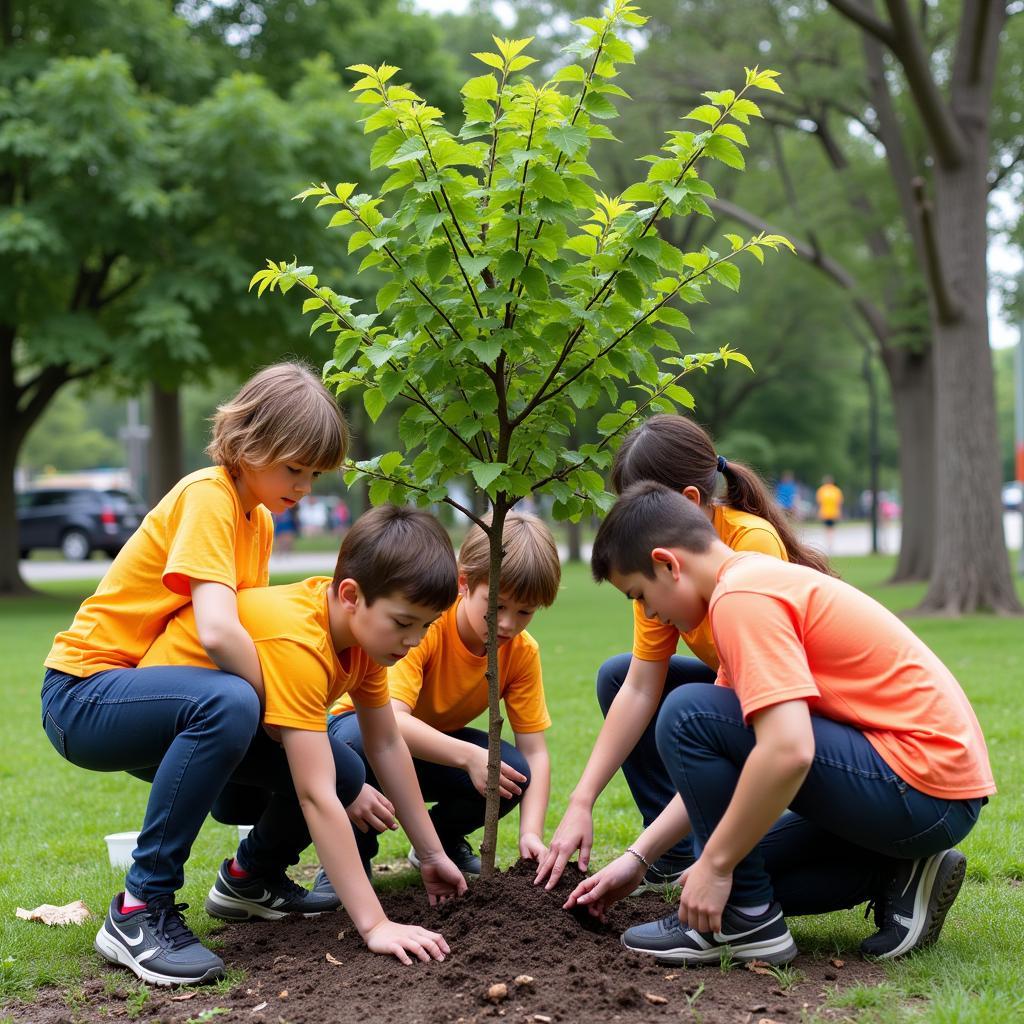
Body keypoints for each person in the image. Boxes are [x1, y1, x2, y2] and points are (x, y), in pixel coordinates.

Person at [565, 481, 993, 966]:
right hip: (927, 795)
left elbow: (787, 749)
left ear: (668, 563)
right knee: (709, 883)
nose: (650, 612)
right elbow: (716, 759)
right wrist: (637, 860)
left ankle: (745, 922)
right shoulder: (744, 585)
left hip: (922, 785)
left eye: (640, 595)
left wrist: (721, 862)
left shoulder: (741, 598)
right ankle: (894, 872)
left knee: (685, 713)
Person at [40, 362, 348, 986]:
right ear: (252, 444)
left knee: (343, 767)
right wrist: (283, 707)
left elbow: (248, 629)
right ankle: (137, 910)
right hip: (85, 693)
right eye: (295, 469)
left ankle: (251, 880)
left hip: (164, 693)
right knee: (235, 704)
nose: (305, 487)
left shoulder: (257, 518)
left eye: (315, 475)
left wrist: (298, 722)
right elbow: (218, 631)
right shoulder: (210, 494)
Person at [137, 505, 467, 977]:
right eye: (403, 622)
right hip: (162, 736)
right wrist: (375, 925)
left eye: (426, 626)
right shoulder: (300, 641)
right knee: (336, 777)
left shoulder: (363, 642)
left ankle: (248, 881)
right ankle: (142, 901)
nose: (414, 639)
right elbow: (315, 794)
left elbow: (388, 745)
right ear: (352, 595)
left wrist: (432, 854)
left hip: (226, 737)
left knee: (346, 769)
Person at [535, 415, 831, 891]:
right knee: (617, 677)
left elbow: (753, 687)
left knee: (692, 713)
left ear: (689, 503)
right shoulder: (655, 567)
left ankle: (698, 846)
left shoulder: (748, 549)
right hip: (731, 691)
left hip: (788, 706)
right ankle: (671, 851)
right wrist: (581, 799)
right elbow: (638, 687)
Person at [320, 511, 560, 882]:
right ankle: (349, 859)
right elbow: (392, 721)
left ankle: (441, 842)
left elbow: (535, 751)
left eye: (525, 612)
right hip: (362, 737)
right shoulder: (424, 625)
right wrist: (468, 757)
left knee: (515, 773)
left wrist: (531, 832)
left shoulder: (522, 652)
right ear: (464, 583)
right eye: (497, 607)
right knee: (357, 743)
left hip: (430, 751)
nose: (509, 624)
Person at [815, 475, 843, 552]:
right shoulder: (836, 490)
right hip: (832, 512)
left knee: (827, 529)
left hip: (826, 512)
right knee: (831, 529)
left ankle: (829, 544)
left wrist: (818, 512)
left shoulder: (822, 490)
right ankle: (830, 544)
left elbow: (819, 503)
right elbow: (839, 503)